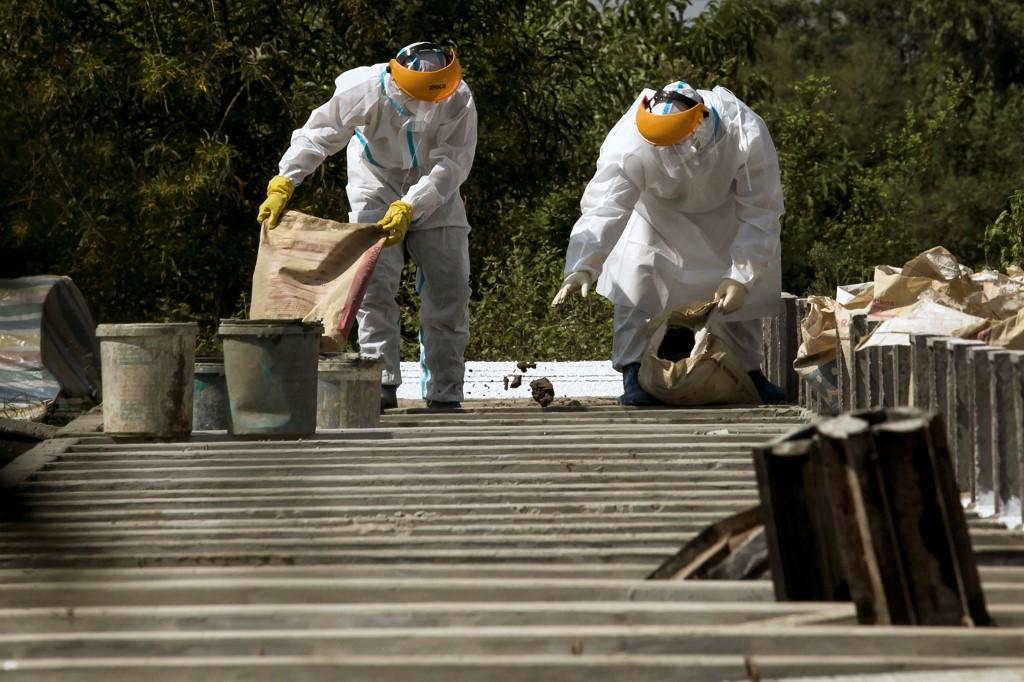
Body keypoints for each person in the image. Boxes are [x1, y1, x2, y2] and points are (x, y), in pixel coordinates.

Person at [257, 42, 477, 410]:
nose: (427, 107)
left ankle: (445, 391)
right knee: (373, 284)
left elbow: (453, 163)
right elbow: (317, 134)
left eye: (433, 97)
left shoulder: (457, 96)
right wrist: (285, 181)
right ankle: (380, 382)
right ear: (398, 82)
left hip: (437, 191)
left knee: (450, 287)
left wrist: (411, 204)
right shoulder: (364, 89)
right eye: (418, 97)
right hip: (374, 182)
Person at [551, 81, 786, 405]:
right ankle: (632, 371)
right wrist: (583, 265)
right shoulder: (628, 140)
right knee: (636, 277)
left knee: (740, 301)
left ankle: (748, 371)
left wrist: (741, 275)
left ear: (701, 122)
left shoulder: (744, 133)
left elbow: (761, 210)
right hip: (655, 218)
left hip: (726, 220)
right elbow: (607, 205)